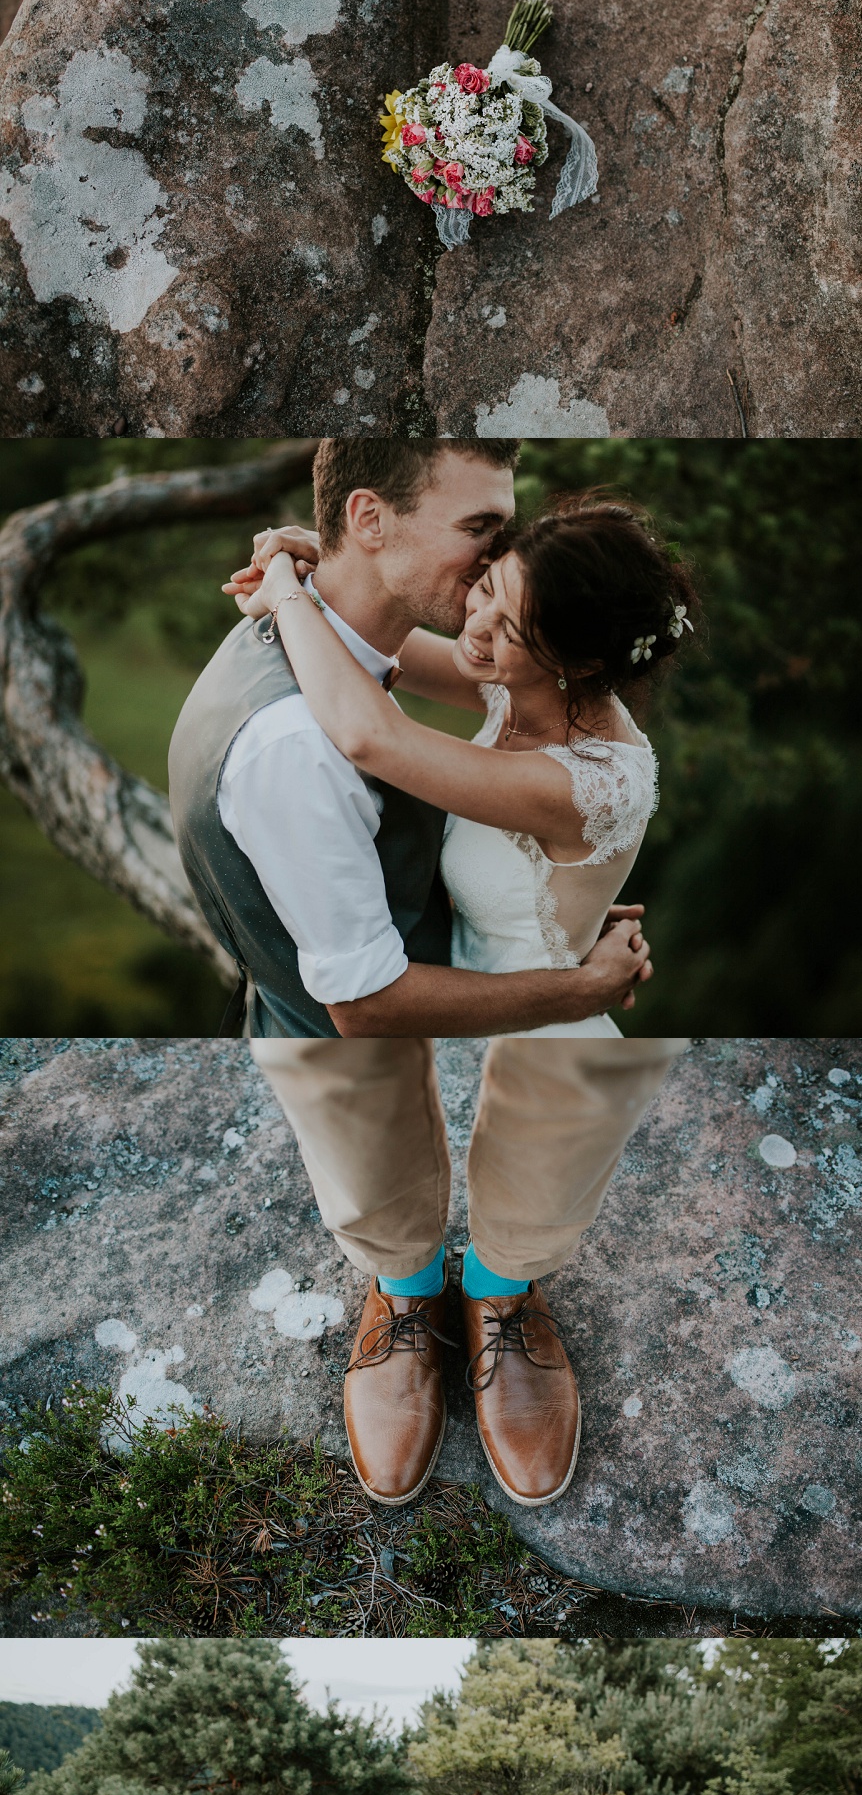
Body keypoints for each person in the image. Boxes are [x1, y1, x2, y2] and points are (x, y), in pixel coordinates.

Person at [172, 441, 693, 1511]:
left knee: (552, 1129)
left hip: (548, 993)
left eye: (507, 618)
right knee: (349, 1092)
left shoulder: (585, 773)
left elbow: (369, 728)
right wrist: (311, 573)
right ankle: (406, 1291)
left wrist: (282, 582)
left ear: (574, 664)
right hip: (475, 957)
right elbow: (389, 649)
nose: (477, 630)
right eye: (485, 578)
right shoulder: (514, 675)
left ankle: (502, 1297)